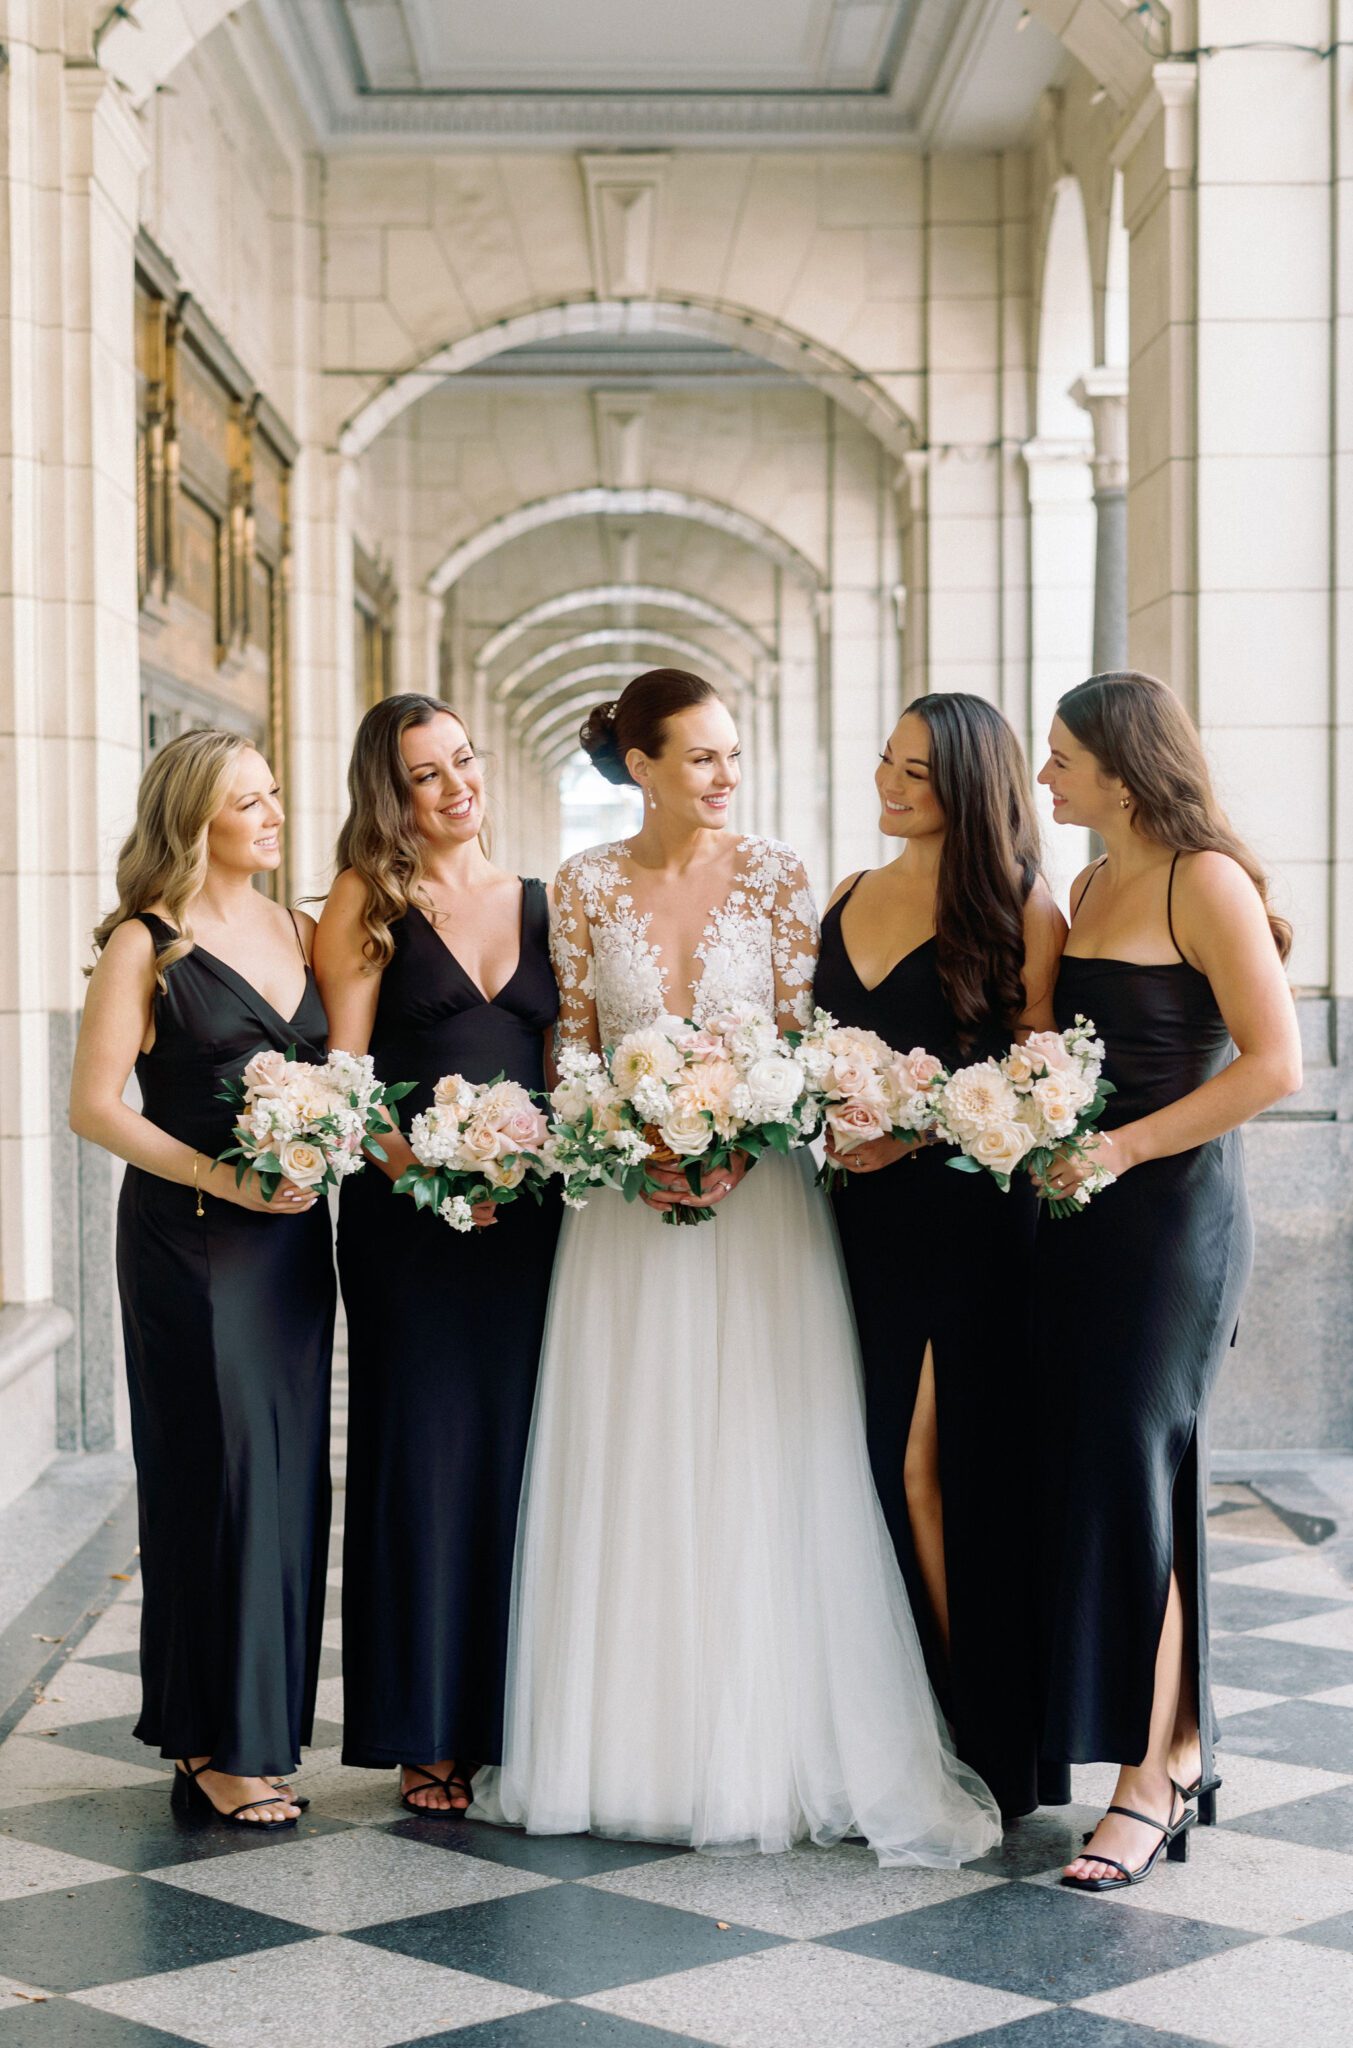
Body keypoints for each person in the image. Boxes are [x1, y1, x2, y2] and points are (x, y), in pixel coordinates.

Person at [471, 668, 1001, 1866]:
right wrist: (627, 1143)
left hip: (764, 1208)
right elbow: (574, 1048)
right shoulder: (585, 885)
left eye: (732, 754)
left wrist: (743, 1145)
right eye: (699, 755)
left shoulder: (776, 875)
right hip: (624, 1212)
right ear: (640, 765)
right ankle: (626, 1746)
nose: (723, 775)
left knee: (763, 1455)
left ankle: (775, 1744)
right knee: (637, 1451)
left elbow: (808, 1043)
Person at [1034, 671, 1302, 1892]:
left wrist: (1129, 1146)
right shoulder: (1090, 882)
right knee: (1104, 1468)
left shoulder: (1206, 878)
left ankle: (1161, 1767)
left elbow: (1277, 1064)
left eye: (1062, 760)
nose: (1046, 778)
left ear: (1123, 766)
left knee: (1149, 1466)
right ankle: (1159, 1741)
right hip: (1083, 1220)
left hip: (1174, 1220)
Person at [70, 730, 334, 1830]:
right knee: (214, 1471)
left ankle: (262, 1729)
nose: (272, 814)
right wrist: (219, 1176)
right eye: (247, 801)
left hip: (290, 1245)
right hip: (188, 1238)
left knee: (286, 1475)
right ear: (195, 820)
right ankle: (210, 1742)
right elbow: (94, 1105)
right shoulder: (148, 942)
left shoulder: (300, 926)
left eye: (274, 794)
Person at [814, 693, 1064, 1821]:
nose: (889, 785)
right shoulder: (847, 894)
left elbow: (1037, 1083)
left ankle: (990, 1732)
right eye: (885, 761)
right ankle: (901, 1718)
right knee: (870, 1463)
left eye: (916, 771)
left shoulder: (1022, 908)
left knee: (940, 1465)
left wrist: (909, 1125)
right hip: (852, 1225)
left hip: (968, 1225)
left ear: (970, 783)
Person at [315, 694, 561, 1816]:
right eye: (427, 773)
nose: (458, 784)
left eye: (464, 760)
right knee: (421, 1452)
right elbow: (345, 1075)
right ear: (392, 793)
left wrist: (539, 1159)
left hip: (532, 1222)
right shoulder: (369, 900)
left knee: (521, 1451)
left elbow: (565, 1065)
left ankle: (513, 1712)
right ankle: (423, 1724)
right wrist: (426, 1173)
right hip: (407, 1223)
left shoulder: (543, 903)